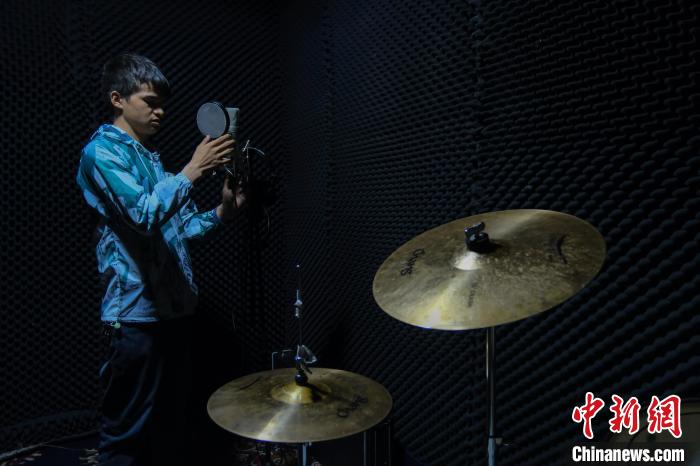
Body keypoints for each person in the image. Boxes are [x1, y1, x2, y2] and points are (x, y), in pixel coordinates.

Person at [76, 53, 243, 465]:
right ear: (117, 99)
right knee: (125, 438)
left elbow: (183, 229)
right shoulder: (100, 153)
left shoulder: (151, 159)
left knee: (170, 428)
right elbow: (144, 215)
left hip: (175, 315)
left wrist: (225, 210)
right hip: (136, 318)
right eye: (150, 102)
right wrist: (193, 170)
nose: (161, 112)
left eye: (163, 104)